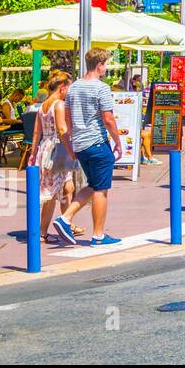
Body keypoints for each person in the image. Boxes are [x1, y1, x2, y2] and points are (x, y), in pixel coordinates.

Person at [52, 49, 124, 246]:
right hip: (98, 143)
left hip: (80, 145)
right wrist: (117, 142)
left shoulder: (73, 87)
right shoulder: (101, 88)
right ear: (99, 65)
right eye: (106, 64)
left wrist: (69, 147)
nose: (106, 68)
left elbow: (67, 120)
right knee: (101, 189)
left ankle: (65, 218)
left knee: (92, 184)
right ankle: (98, 235)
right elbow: (108, 119)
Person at [28, 72, 84, 242]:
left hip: (45, 149)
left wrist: (32, 153)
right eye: (70, 87)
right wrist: (71, 151)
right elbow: (62, 131)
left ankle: (67, 222)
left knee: (68, 188)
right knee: (51, 194)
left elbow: (37, 132)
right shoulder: (59, 104)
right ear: (62, 87)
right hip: (56, 151)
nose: (70, 91)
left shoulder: (43, 105)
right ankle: (42, 233)